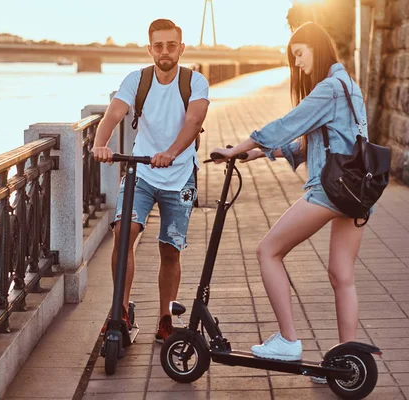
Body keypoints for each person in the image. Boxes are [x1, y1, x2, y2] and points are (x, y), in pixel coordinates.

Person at [210, 21, 371, 381]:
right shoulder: (349, 87)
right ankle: (346, 363)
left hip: (330, 190)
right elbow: (314, 141)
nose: (298, 64)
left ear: (317, 46)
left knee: (268, 251)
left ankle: (287, 340)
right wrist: (259, 156)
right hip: (357, 191)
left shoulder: (329, 88)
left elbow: (288, 124)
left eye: (300, 54)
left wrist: (240, 146)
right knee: (341, 275)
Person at [91, 18, 210, 342]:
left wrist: (171, 152)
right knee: (123, 233)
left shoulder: (195, 82)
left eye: (172, 45)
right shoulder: (137, 79)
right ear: (150, 49)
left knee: (170, 250)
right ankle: (121, 311)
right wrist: (99, 144)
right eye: (158, 46)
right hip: (141, 172)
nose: (165, 52)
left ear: (181, 48)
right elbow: (113, 114)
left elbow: (194, 119)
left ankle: (165, 317)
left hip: (181, 174)